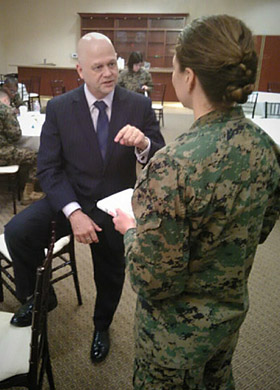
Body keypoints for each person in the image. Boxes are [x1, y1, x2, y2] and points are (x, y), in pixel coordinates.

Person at [112, 15, 280, 389]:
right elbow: (261, 228)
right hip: (227, 320)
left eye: (173, 66)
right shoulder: (265, 147)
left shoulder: (173, 165)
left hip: (172, 341)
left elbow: (151, 278)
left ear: (189, 77)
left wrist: (129, 230)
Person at [4, 33, 165, 364]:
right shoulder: (60, 108)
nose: (108, 73)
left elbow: (162, 159)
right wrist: (74, 212)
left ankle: (101, 325)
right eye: (97, 67)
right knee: (17, 232)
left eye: (112, 64)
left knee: (110, 271)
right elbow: (48, 170)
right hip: (70, 198)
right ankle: (39, 297)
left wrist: (144, 145)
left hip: (114, 204)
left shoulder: (138, 105)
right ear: (80, 70)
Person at [0, 88, 43, 205]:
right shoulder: (5, 110)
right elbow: (15, 135)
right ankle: (29, 193)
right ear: (5, 100)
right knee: (37, 156)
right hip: (2, 153)